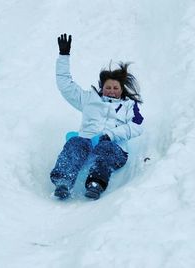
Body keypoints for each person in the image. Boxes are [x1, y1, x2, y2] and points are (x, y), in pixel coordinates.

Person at [50, 33, 144, 200]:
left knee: (106, 150)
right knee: (75, 143)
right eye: (108, 87)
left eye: (116, 88)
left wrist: (112, 135)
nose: (112, 91)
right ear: (102, 87)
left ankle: (96, 184)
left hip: (114, 146)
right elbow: (65, 86)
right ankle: (63, 181)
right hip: (86, 140)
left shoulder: (130, 105)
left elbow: (137, 126)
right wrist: (64, 56)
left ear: (121, 89)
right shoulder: (89, 99)